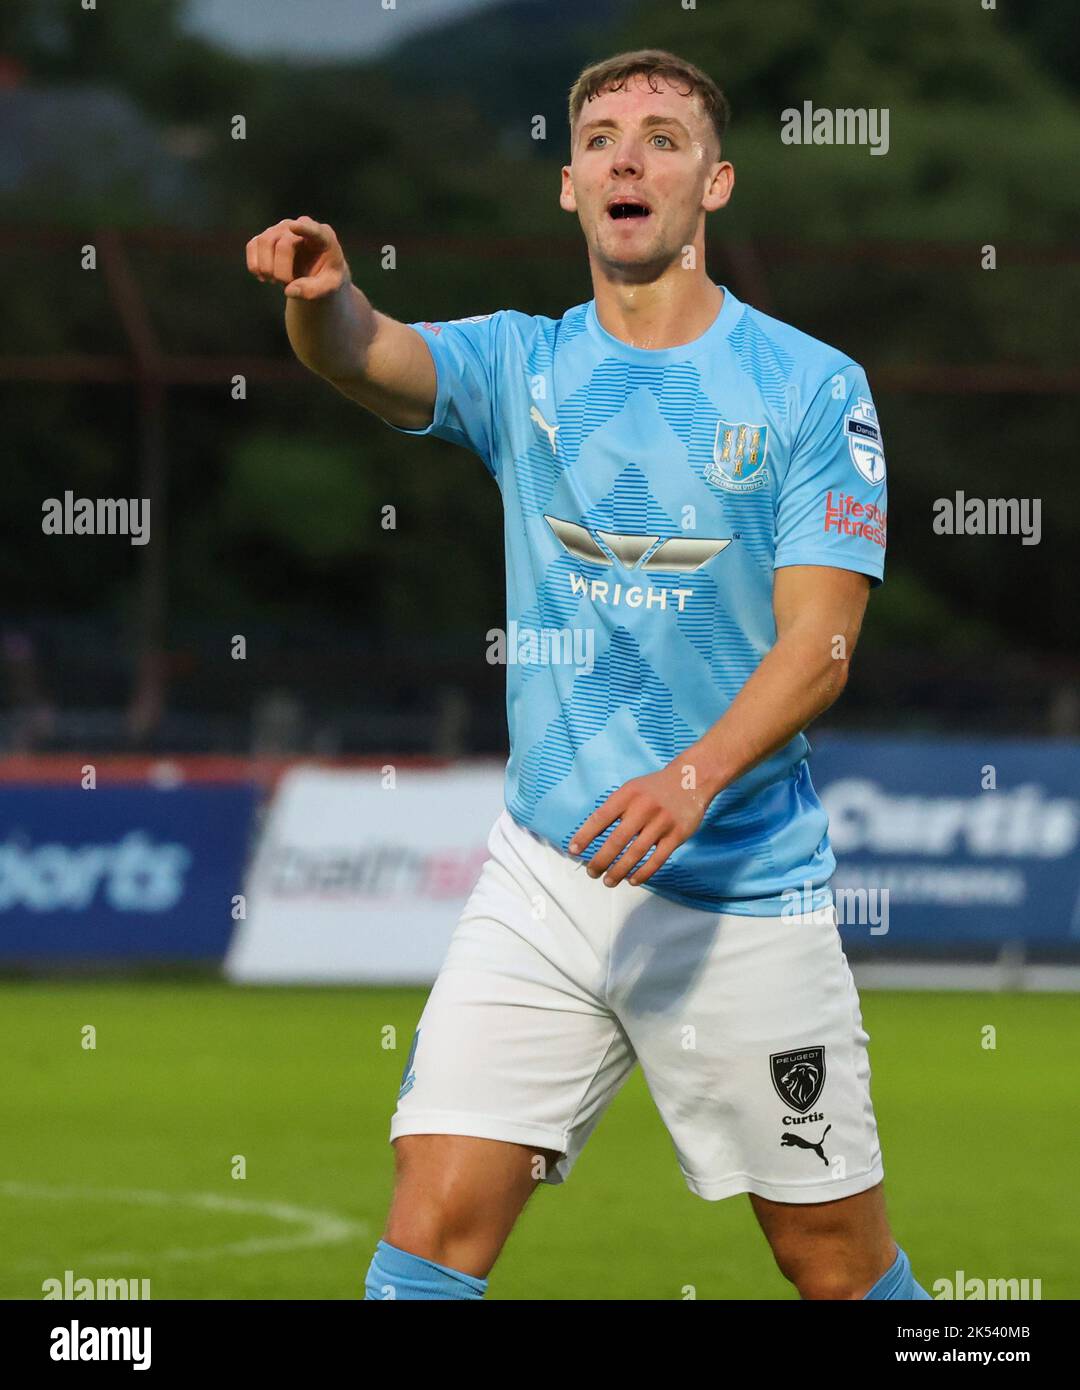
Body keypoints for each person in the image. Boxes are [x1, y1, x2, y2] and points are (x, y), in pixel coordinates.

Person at [246, 47, 926, 1302]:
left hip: (736, 892)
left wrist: (694, 776)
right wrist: (318, 297)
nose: (629, 154)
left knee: (832, 1264)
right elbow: (364, 355)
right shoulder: (524, 365)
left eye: (664, 138)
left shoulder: (809, 387)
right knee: (430, 1231)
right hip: (547, 878)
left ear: (713, 184)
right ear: (569, 185)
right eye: (603, 135)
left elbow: (820, 645)